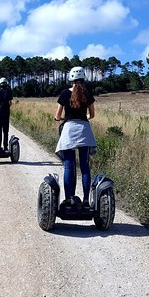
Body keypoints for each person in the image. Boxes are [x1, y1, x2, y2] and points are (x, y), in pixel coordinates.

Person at [54, 66, 96, 207]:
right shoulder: (87, 94)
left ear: (70, 79)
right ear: (83, 78)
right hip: (84, 130)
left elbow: (58, 116)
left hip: (69, 130)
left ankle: (69, 199)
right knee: (84, 166)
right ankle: (85, 200)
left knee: (69, 165)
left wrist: (60, 119)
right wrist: (85, 117)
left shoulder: (65, 93)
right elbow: (92, 115)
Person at [0, 77, 13, 152]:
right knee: (5, 131)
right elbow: (10, 103)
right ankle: (5, 147)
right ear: (6, 84)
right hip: (6, 114)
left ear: (0, 84)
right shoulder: (9, 92)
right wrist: (7, 107)